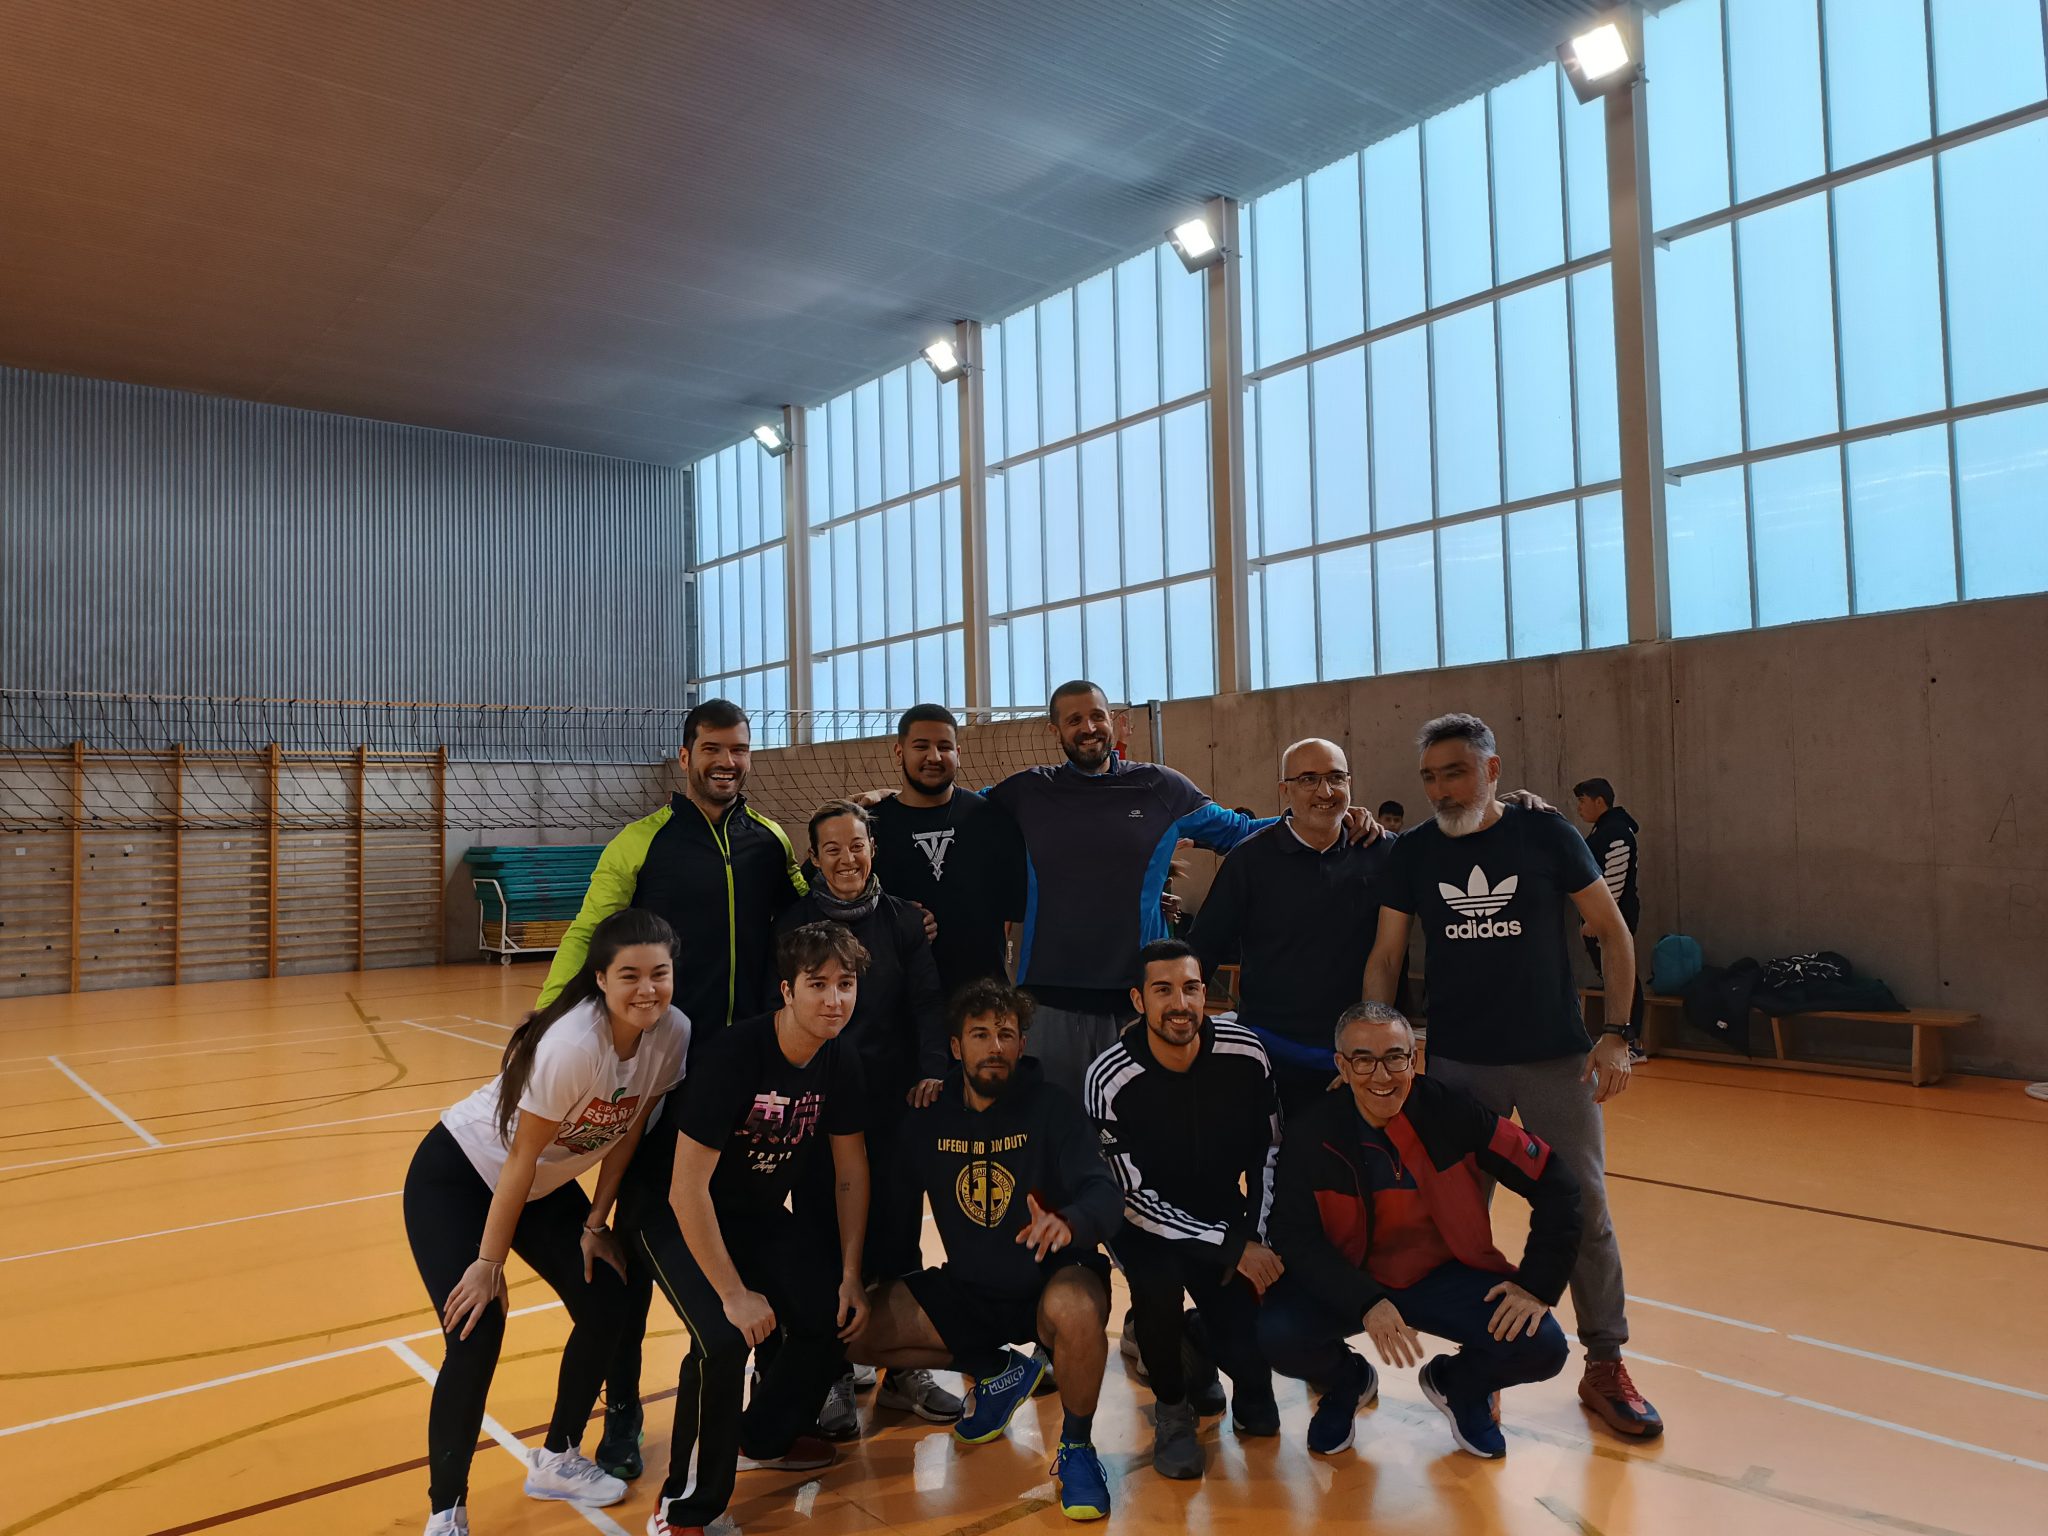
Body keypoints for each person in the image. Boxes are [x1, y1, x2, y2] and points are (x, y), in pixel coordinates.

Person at [1364, 713, 1662, 1440]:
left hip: (1556, 1059)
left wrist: (1617, 1034)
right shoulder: (1414, 852)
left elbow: (1613, 932)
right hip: (1460, 1065)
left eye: (1456, 772)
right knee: (1463, 1217)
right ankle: (1485, 1365)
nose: (1441, 789)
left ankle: (1605, 1361)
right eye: (1430, 777)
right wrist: (1377, 1047)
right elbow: (1387, 955)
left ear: (1492, 770)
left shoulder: (1547, 834)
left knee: (1584, 1206)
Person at [536, 697, 807, 1476]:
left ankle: (763, 1403)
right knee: (634, 1253)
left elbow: (809, 915)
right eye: (713, 748)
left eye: (739, 749)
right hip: (663, 1082)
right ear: (685, 755)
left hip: (748, 1083)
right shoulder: (641, 842)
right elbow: (590, 934)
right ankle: (623, 1412)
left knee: (747, 1235)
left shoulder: (770, 841)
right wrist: (543, 1025)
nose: (728, 761)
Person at [401, 909, 689, 1536]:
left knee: (608, 1299)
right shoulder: (573, 1045)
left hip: (538, 1187)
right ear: (601, 979)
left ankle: (557, 1459)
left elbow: (628, 1131)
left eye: (659, 974)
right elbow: (519, 1159)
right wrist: (489, 1263)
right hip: (460, 1174)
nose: (647, 989)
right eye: (630, 976)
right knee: (476, 1328)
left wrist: (594, 1223)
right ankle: (446, 1511)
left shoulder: (673, 1034)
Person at [984, 680, 1379, 1102]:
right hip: (1049, 999)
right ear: (1054, 730)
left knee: (1144, 1124)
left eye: (1097, 716)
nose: (1089, 728)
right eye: (1074, 720)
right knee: (1055, 1123)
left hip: (1139, 999)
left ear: (1113, 721)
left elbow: (1239, 832)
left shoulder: (1161, 787)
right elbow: (960, 814)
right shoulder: (1026, 792)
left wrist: (1324, 816)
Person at [850, 977, 1125, 1523]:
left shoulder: (1053, 1107)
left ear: (1023, 1044)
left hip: (1053, 1276)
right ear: (956, 1047)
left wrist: (1068, 1222)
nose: (994, 1046)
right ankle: (998, 1370)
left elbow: (1105, 1193)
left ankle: (1076, 1447)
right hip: (973, 1287)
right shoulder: (929, 1116)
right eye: (980, 1034)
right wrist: (854, 1276)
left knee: (1075, 1309)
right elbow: (889, 1202)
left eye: (1006, 1034)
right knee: (853, 1331)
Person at [1259, 1003, 1579, 1460]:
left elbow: (1556, 1182)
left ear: (1415, 1060)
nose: (1382, 1075)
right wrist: (1365, 1301)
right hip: (1353, 1277)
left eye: (1395, 1057)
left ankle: (1460, 1384)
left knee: (1543, 1347)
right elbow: (1292, 1235)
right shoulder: (1312, 1132)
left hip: (1443, 1276)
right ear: (1342, 1067)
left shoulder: (1452, 1113)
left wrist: (1537, 1284)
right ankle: (1347, 1382)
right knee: (1277, 1334)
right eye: (1363, 1060)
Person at [636, 922, 873, 1536]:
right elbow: (685, 1189)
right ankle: (682, 1505)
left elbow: (850, 1172)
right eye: (817, 985)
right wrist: (733, 1293)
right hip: (668, 1211)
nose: (834, 1000)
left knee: (832, 1312)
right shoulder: (736, 1055)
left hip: (751, 1214)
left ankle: (761, 1437)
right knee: (721, 1338)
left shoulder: (839, 1057)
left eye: (845, 985)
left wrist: (850, 1274)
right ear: (787, 991)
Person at [775, 799, 960, 1434]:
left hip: (893, 1103)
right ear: (814, 857)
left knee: (898, 1232)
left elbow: (927, 1001)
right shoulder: (793, 922)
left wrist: (932, 1068)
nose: (847, 858)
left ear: (872, 849)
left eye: (856, 845)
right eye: (832, 849)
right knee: (822, 1234)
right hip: (820, 1107)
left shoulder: (904, 919)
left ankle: (903, 1372)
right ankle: (830, 1370)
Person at [1083, 940, 1283, 1480]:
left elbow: (1271, 1151)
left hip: (1223, 1213)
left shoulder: (1246, 1052)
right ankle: (1172, 1409)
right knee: (1158, 1289)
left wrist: (1254, 1236)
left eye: (1191, 988)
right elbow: (1131, 1198)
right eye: (1163, 990)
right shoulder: (1107, 1077)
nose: (1180, 1003)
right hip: (1143, 1225)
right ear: (1138, 1000)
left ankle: (1197, 1339)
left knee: (1259, 1407)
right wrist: (1230, 1246)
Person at [1189, 738, 1398, 1116]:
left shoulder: (1381, 851)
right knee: (1272, 1154)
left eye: (1336, 778)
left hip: (1357, 1057)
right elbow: (1203, 950)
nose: (1325, 791)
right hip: (1270, 1054)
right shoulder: (1249, 860)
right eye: (1308, 779)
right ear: (1284, 790)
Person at [867, 703, 1027, 999]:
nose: (934, 756)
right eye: (921, 746)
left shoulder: (991, 819)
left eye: (944, 746)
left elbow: (1012, 914)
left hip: (979, 998)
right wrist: (889, 923)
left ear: (958, 753)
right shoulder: (871, 825)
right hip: (898, 1002)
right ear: (899, 752)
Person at [1574, 776, 1645, 1056]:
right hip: (1602, 916)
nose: (1579, 808)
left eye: (1582, 801)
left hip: (1615, 918)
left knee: (1622, 976)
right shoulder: (1603, 830)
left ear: (1599, 801)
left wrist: (1598, 919)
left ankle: (1631, 1042)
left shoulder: (1616, 831)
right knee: (1611, 975)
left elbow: (1614, 876)